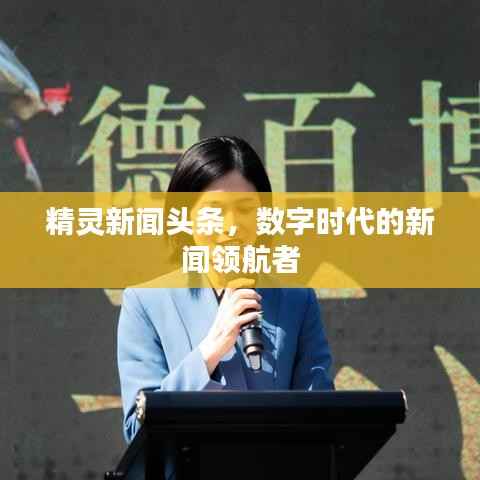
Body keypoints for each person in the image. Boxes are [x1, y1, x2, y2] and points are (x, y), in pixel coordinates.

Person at [116, 136, 335, 473]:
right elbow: (136, 428)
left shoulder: (296, 300)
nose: (232, 227)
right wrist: (209, 352)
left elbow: (323, 417)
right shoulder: (145, 302)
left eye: (245, 210)